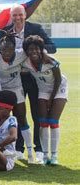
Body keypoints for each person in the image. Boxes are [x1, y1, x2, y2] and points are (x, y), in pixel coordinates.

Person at [3, 4, 57, 162]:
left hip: (34, 78)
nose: (18, 18)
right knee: (18, 114)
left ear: (25, 15)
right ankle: (19, 148)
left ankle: (39, 149)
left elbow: (52, 47)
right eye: (14, 15)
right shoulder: (7, 32)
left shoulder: (36, 28)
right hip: (16, 79)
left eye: (20, 15)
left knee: (37, 114)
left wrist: (35, 49)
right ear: (11, 17)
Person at [0, 32, 36, 163]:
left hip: (16, 89)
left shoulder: (21, 54)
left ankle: (30, 153)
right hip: (0, 92)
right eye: (3, 50)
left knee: (22, 119)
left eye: (9, 49)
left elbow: (36, 52)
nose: (6, 52)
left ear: (14, 48)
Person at [22, 35, 68, 165]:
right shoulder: (26, 62)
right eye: (30, 49)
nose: (33, 52)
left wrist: (51, 99)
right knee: (42, 122)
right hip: (43, 89)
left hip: (59, 88)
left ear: (41, 49)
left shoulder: (51, 61)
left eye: (36, 49)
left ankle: (54, 156)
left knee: (53, 121)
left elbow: (58, 80)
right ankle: (45, 156)